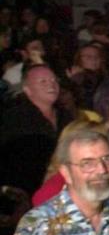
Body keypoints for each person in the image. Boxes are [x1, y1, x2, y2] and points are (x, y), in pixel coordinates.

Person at [0, 63, 68, 195]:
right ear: (27, 89)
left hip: (59, 188)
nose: (51, 85)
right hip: (23, 191)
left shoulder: (65, 115)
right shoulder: (14, 118)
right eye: (43, 81)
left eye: (54, 80)